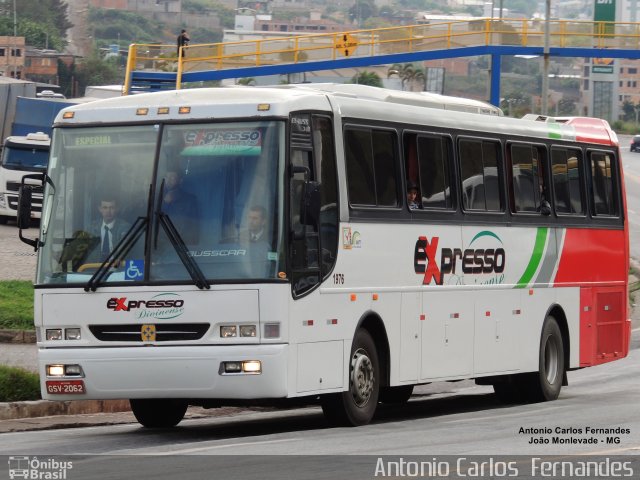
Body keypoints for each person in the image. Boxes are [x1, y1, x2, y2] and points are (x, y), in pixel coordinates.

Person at [161, 168, 199, 244]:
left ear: (180, 181)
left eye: (172, 178)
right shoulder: (157, 197)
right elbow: (154, 220)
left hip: (181, 244)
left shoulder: (190, 200)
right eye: (166, 177)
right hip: (160, 245)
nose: (168, 181)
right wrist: (165, 203)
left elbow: (194, 226)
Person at [89, 197, 131, 262]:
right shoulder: (92, 228)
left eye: (112, 208)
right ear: (100, 209)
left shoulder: (125, 227)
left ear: (117, 209)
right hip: (94, 269)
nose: (108, 211)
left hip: (116, 268)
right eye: (105, 207)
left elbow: (124, 248)